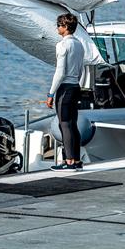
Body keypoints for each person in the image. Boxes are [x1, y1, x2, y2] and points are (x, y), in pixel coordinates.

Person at [46, 13, 85, 171]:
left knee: (65, 125)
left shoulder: (62, 45)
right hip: (76, 86)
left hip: (65, 89)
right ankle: (76, 160)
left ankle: (69, 162)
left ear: (66, 27)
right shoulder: (79, 45)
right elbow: (81, 69)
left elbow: (60, 72)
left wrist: (50, 94)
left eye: (59, 25)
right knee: (73, 124)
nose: (57, 27)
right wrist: (76, 83)